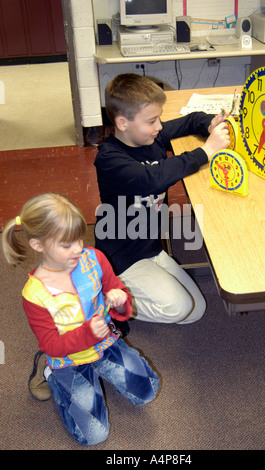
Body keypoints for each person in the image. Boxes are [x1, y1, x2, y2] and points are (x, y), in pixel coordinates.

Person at [1, 193, 159, 446]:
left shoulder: (94, 258)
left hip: (106, 344)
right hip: (68, 359)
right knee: (93, 436)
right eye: (66, 245)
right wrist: (87, 334)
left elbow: (116, 291)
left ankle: (100, 370)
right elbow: (50, 344)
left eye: (79, 238)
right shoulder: (34, 294)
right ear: (38, 245)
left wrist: (120, 300)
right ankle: (52, 375)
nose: (77, 249)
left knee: (148, 390)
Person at [94, 73, 230, 325]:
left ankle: (130, 292)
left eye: (159, 119)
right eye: (152, 121)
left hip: (150, 247)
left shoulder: (149, 136)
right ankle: (105, 302)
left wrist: (209, 123)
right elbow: (152, 178)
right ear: (122, 123)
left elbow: (189, 121)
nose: (159, 126)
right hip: (121, 256)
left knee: (194, 310)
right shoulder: (109, 159)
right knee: (178, 308)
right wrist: (206, 151)